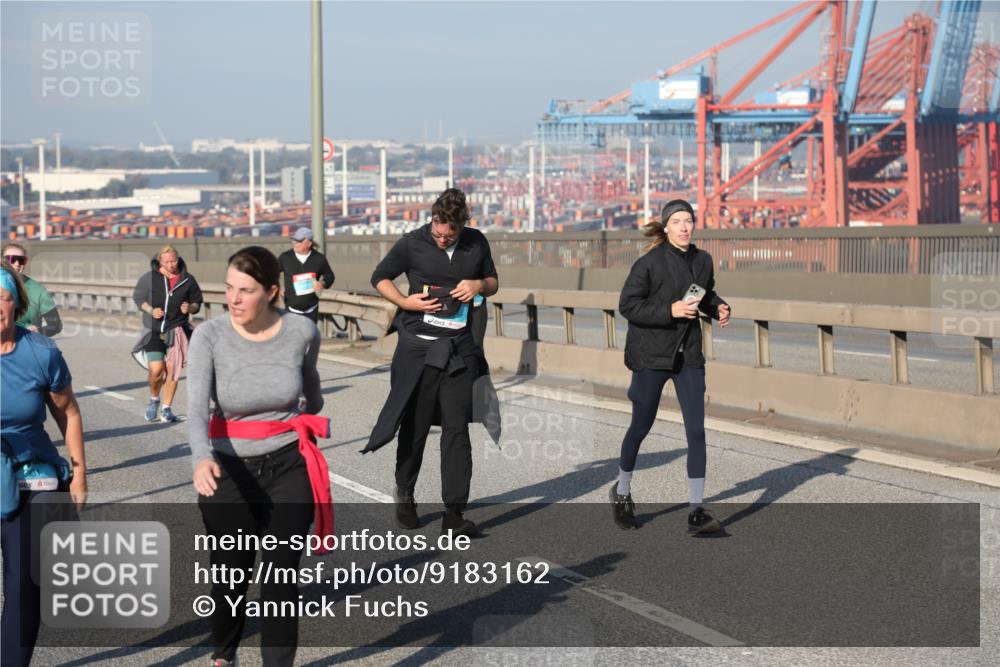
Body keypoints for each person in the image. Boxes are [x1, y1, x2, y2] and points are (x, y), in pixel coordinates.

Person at [187, 246, 331, 667]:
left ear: (271, 291)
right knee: (232, 579)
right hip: (228, 467)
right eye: (229, 288)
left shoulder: (302, 331)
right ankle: (224, 654)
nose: (233, 299)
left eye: (245, 291)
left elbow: (313, 395)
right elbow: (196, 409)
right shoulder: (208, 336)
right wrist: (200, 458)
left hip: (289, 463)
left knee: (281, 579)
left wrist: (294, 418)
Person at [362, 188, 501, 538]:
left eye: (449, 234)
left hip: (458, 351)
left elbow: (494, 283)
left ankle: (455, 513)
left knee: (457, 430)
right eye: (437, 232)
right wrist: (405, 303)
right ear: (434, 219)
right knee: (415, 426)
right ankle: (405, 494)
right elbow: (379, 278)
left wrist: (478, 284)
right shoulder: (412, 243)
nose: (442, 239)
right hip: (418, 350)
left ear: (462, 226)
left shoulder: (476, 243)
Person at [610, 199, 731, 534]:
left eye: (688, 220)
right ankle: (621, 492)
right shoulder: (649, 264)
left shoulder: (703, 260)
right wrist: (671, 311)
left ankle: (696, 511)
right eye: (676, 221)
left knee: (696, 431)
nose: (683, 227)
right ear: (665, 228)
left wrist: (718, 306)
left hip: (688, 355)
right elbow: (628, 305)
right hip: (652, 354)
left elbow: (702, 295)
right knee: (640, 426)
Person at [1, 261, 86, 667]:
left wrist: (80, 472)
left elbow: (67, 412)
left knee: (25, 583)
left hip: (32, 477)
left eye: (2, 297)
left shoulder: (41, 352)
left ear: (16, 304)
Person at [131, 245, 203, 423]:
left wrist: (190, 308)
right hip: (154, 332)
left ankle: (166, 409)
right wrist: (150, 310)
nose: (171, 265)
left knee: (172, 371)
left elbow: (197, 302)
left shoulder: (187, 280)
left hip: (177, 330)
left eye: (173, 261)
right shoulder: (150, 278)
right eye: (167, 262)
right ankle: (154, 399)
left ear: (178, 260)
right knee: (156, 371)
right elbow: (138, 298)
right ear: (159, 262)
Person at [2, 243, 62, 337]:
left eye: (21, 260)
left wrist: (38, 331)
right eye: (12, 259)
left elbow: (56, 325)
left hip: (27, 344)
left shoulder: (38, 290)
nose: (17, 264)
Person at [278, 227, 335, 324]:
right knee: (294, 338)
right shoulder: (285, 257)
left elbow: (330, 275)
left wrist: (322, 283)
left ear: (309, 243)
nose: (295, 243)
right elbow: (272, 273)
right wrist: (278, 287)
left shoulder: (319, 258)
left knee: (309, 338)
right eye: (294, 240)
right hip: (291, 309)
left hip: (311, 309)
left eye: (299, 241)